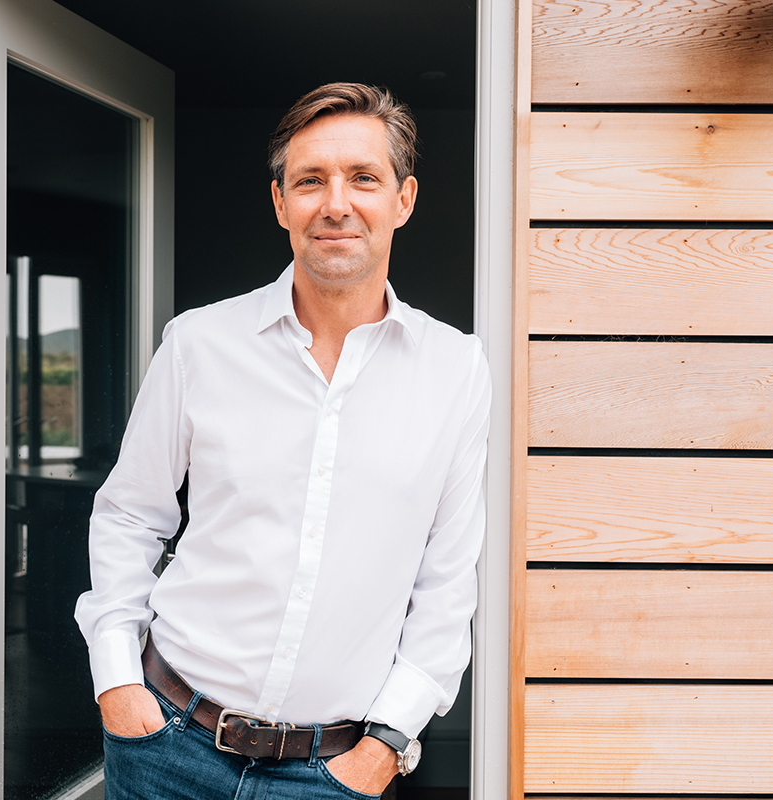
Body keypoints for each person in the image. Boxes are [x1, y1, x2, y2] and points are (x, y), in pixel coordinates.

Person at [75, 82, 491, 799]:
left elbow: (446, 582)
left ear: (403, 199)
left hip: (334, 773)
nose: (336, 203)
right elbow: (129, 516)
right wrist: (117, 682)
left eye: (363, 178)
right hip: (165, 746)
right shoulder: (199, 344)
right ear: (280, 204)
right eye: (310, 181)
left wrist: (387, 744)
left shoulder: (456, 369)